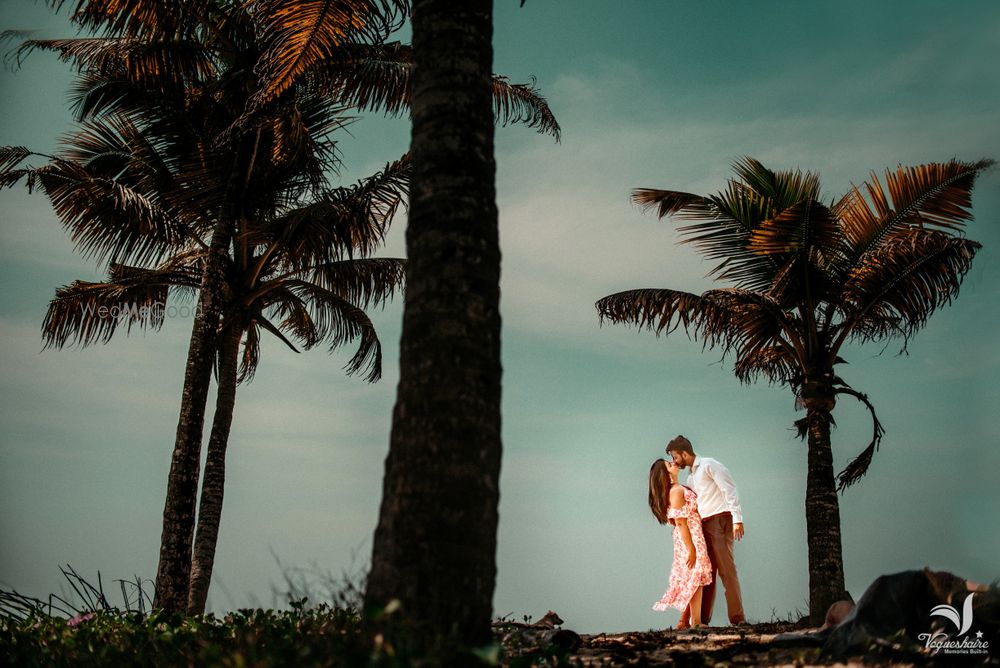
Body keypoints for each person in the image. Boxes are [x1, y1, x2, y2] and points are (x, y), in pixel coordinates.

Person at [666, 434, 746, 626]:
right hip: (703, 525)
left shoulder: (709, 464)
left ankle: (737, 619)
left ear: (684, 453)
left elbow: (730, 489)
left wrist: (738, 519)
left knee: (727, 571)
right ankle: (701, 620)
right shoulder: (691, 476)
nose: (674, 461)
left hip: (720, 519)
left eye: (676, 456)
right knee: (706, 573)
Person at [648, 458, 712, 627]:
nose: (674, 463)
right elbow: (681, 522)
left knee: (694, 577)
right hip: (689, 536)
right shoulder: (676, 491)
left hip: (693, 533)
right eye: (670, 465)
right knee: (695, 577)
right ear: (666, 475)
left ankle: (686, 622)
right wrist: (691, 549)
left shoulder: (678, 488)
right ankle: (696, 621)